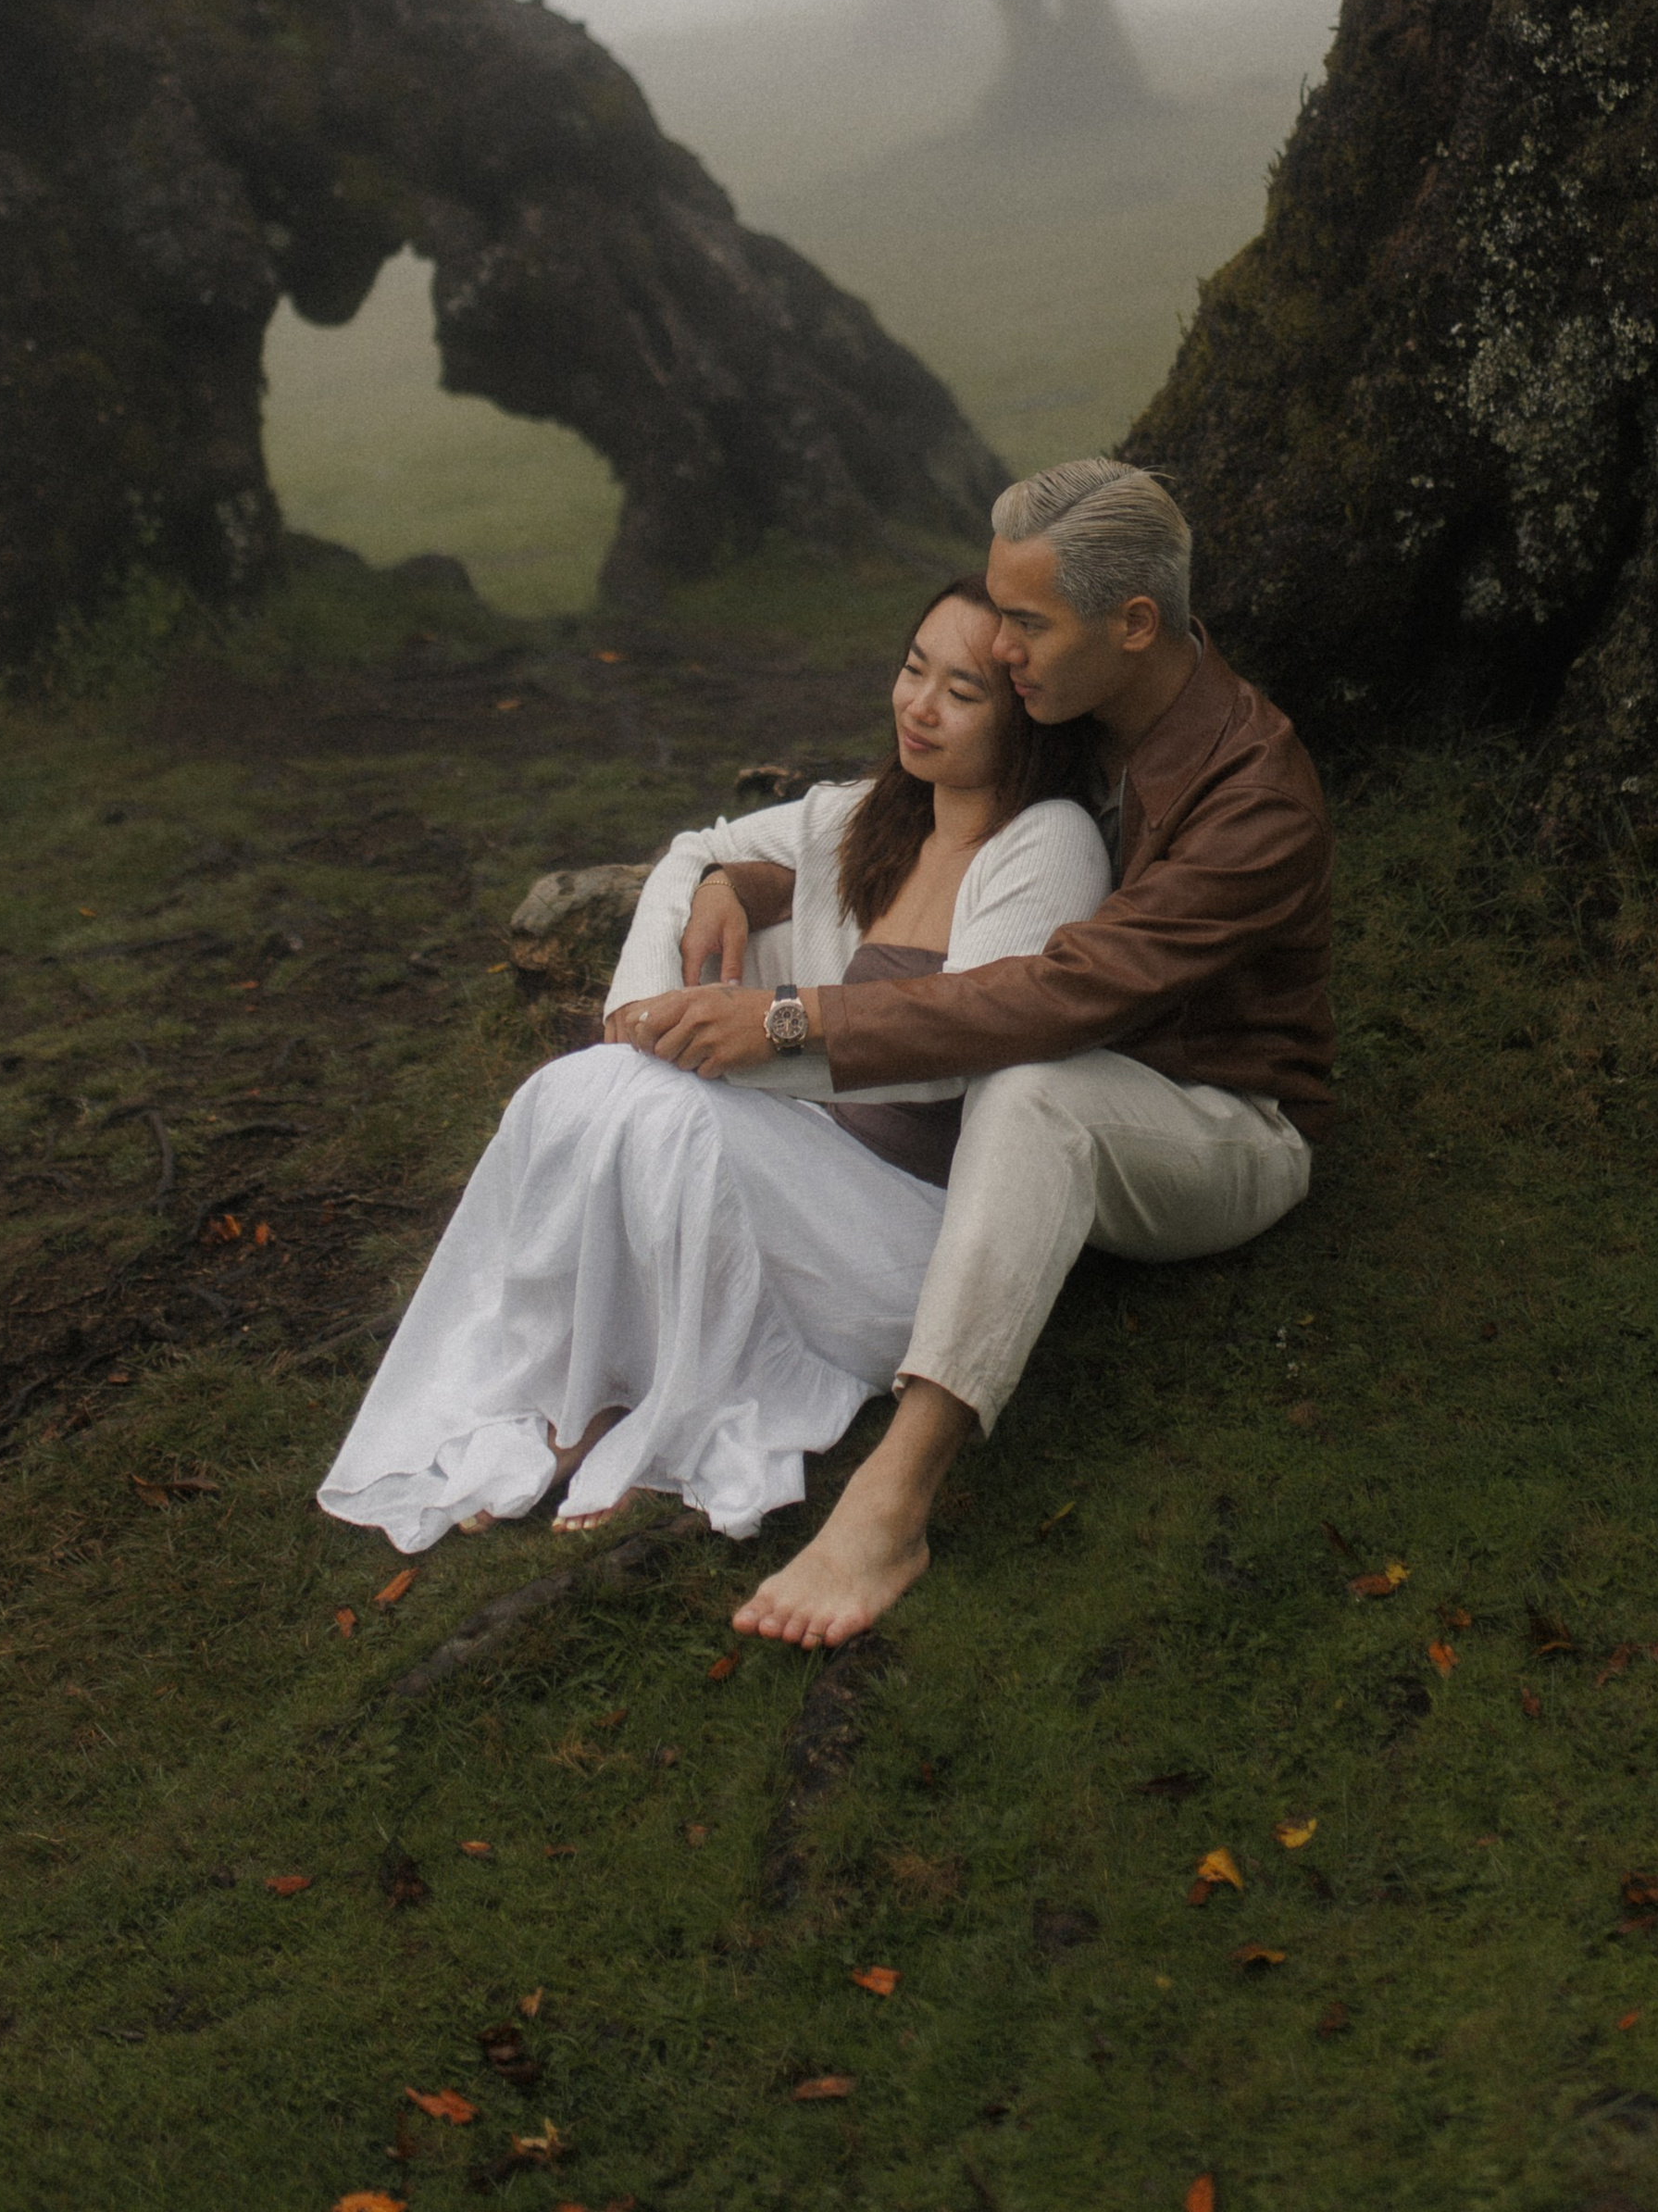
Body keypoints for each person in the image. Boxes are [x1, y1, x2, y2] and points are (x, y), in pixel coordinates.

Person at [617, 457, 1335, 1649]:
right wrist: (745, 879)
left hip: (1215, 1121)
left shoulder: (1254, 800)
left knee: (1035, 1088)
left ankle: (892, 1496)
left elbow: (1060, 996)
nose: (999, 648)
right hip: (1051, 1087)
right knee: (1023, 1088)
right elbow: (931, 835)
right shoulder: (1087, 710)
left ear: (1135, 623)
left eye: (1027, 622)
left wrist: (793, 1021)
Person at [316, 578, 1107, 1555]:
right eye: (911, 670)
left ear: (1026, 716)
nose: (918, 705)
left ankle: (671, 1425)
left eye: (962, 691)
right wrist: (670, 976)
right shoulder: (876, 815)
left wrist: (758, 1036)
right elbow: (693, 851)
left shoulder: (1049, 843)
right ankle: (589, 1391)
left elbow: (964, 1046)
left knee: (674, 1117)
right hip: (816, 1187)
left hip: (916, 1244)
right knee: (576, 1090)